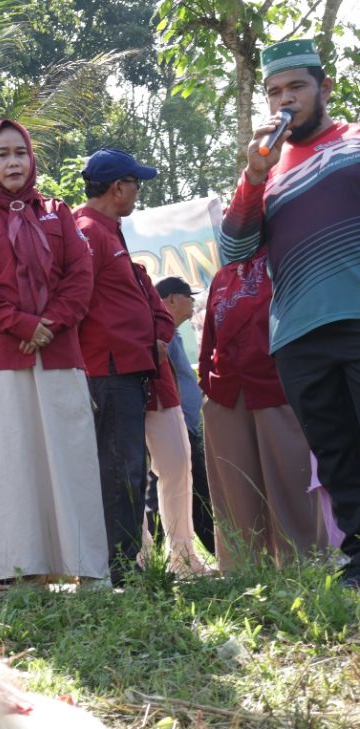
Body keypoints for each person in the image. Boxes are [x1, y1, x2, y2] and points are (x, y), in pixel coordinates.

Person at [219, 39, 360, 589]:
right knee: (336, 452)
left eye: (296, 87)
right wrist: (254, 177)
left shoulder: (354, 143)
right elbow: (234, 251)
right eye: (274, 91)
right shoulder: (267, 172)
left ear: (324, 88)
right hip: (297, 335)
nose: (285, 100)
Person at [0, 120, 108, 587]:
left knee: (69, 462)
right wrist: (21, 324)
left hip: (58, 358)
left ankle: (83, 572)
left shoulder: (58, 214)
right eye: (2, 154)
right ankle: (21, 577)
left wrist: (49, 325)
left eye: (20, 152)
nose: (13, 162)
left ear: (32, 158)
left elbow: (81, 277)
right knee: (7, 469)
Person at [75, 148, 176, 583]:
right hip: (108, 369)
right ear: (118, 188)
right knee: (121, 468)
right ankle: (118, 568)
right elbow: (75, 300)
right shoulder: (87, 231)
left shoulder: (107, 231)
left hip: (127, 367)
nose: (138, 192)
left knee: (130, 467)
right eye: (135, 184)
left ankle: (122, 564)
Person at [199, 248, 327, 569]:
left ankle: (305, 562)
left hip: (276, 389)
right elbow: (209, 342)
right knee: (234, 488)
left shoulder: (286, 262)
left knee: (292, 482)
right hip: (226, 394)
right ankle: (242, 566)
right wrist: (209, 387)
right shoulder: (223, 277)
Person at [139, 277, 208, 575]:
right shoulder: (159, 329)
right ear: (170, 299)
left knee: (179, 476)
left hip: (173, 410)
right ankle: (143, 558)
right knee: (141, 481)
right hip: (143, 398)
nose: (192, 302)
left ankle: (183, 556)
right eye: (187, 296)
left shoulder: (172, 333)